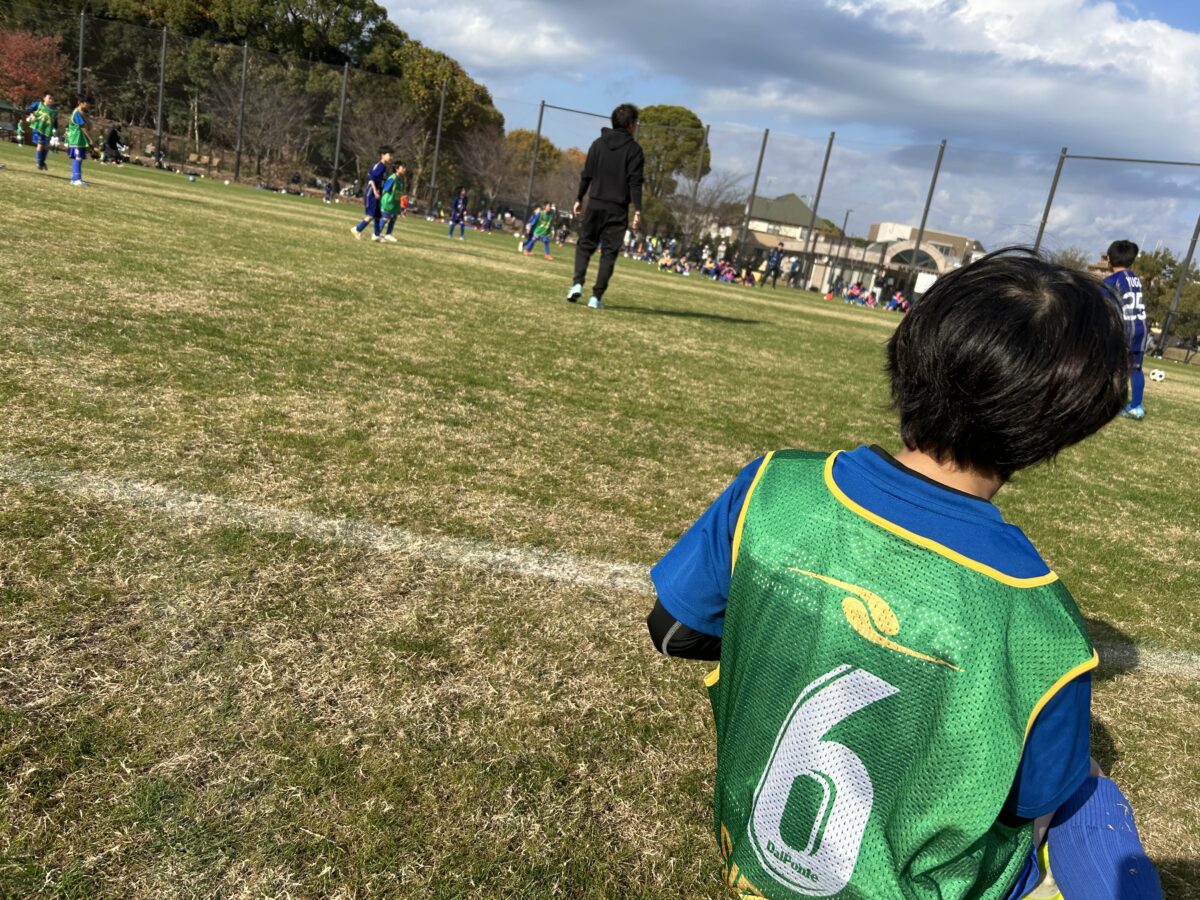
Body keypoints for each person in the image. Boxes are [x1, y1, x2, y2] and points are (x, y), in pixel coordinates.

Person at [646, 249, 1162, 900]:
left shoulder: (773, 486)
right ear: (1059, 431)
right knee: (1089, 792)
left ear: (910, 347)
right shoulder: (1040, 620)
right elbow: (1028, 807)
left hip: (756, 864)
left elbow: (672, 630)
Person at [565, 103, 645, 310]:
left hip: (595, 203)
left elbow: (587, 175)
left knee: (585, 245)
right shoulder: (635, 150)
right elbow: (635, 182)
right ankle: (596, 297)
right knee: (608, 254)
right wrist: (637, 209)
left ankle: (577, 283)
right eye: (635, 122)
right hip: (617, 209)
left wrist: (579, 198)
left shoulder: (598, 144)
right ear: (630, 124)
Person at [1103, 240, 1151, 419]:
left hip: (1123, 329)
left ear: (1109, 259)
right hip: (1140, 328)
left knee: (1110, 366)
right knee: (1136, 368)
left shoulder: (1111, 281)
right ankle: (1136, 406)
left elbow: (1101, 303)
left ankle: (1106, 403)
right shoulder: (1136, 279)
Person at [351, 146, 392, 241]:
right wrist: (374, 190)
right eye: (389, 155)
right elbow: (371, 178)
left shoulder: (382, 166)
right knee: (371, 215)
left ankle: (376, 235)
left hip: (376, 193)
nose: (391, 157)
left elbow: (370, 173)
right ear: (383, 155)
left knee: (377, 215)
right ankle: (357, 229)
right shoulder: (380, 166)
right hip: (372, 194)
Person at [65, 98, 93, 187]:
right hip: (76, 138)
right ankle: (77, 179)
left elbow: (88, 126)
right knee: (78, 157)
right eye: (86, 104)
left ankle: (74, 179)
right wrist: (90, 139)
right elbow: (82, 127)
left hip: (79, 138)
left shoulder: (82, 113)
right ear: (80, 103)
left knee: (77, 158)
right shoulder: (77, 113)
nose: (88, 106)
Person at [378, 161, 408, 243]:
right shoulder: (393, 178)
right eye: (403, 167)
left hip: (395, 203)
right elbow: (384, 189)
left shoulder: (400, 179)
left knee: (393, 218)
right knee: (385, 218)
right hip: (388, 202)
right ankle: (377, 234)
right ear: (397, 169)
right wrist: (380, 200)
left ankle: (388, 234)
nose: (405, 169)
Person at [27, 93, 57, 171]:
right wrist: (32, 115)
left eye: (52, 99)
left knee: (46, 146)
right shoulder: (39, 104)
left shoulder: (54, 110)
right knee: (40, 144)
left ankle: (42, 162)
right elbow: (29, 109)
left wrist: (55, 129)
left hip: (47, 130)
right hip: (38, 128)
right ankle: (39, 162)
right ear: (44, 98)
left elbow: (55, 121)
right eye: (49, 98)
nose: (51, 100)